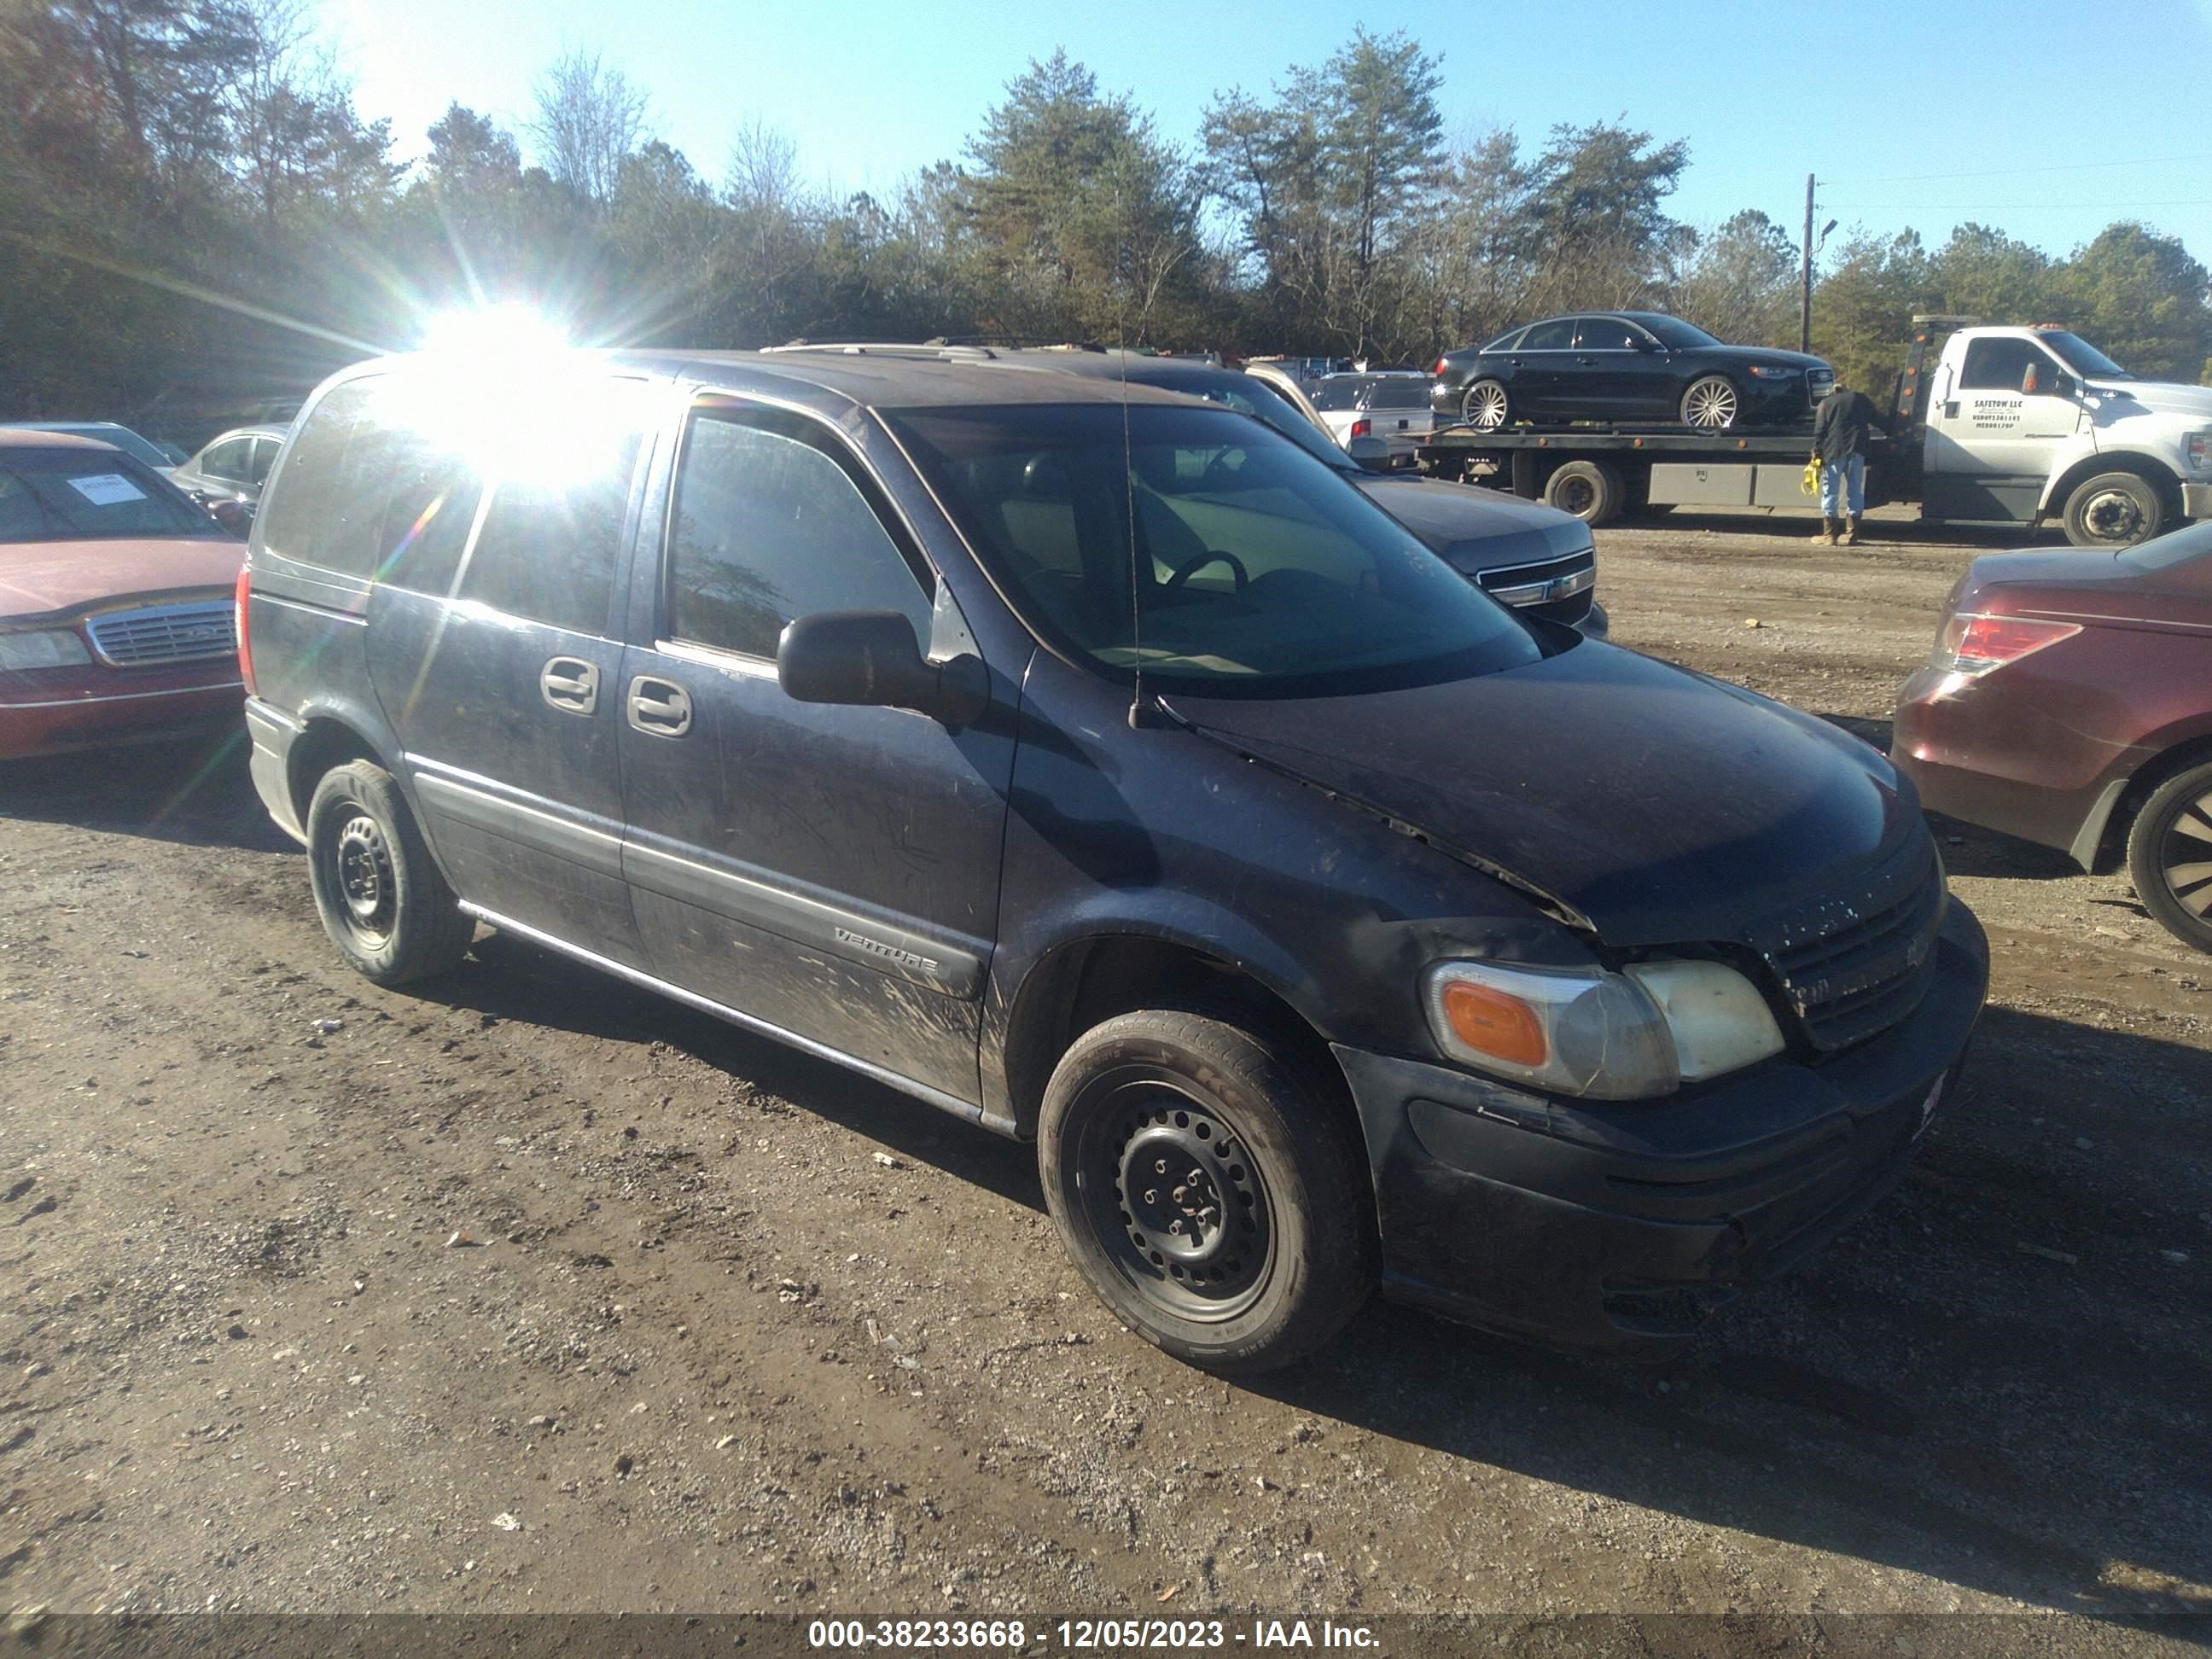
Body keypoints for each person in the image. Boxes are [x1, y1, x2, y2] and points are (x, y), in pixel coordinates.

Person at [1812, 378, 1882, 546]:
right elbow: (1877, 419)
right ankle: (1852, 534)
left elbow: (1820, 431)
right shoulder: (1860, 399)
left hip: (1833, 452)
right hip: (1857, 450)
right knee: (1855, 490)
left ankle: (1829, 536)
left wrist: (1816, 452)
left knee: (1831, 492)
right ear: (1847, 389)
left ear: (1833, 391)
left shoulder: (1826, 403)